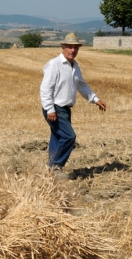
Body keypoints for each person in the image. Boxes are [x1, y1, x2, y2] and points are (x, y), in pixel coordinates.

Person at [40, 32, 107, 177]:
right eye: (69, 47)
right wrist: (50, 109)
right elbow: (45, 88)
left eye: (75, 48)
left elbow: (82, 86)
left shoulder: (75, 66)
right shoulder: (54, 64)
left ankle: (52, 168)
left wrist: (95, 99)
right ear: (63, 47)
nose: (73, 50)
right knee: (69, 136)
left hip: (65, 109)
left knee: (58, 137)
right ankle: (56, 167)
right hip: (55, 108)